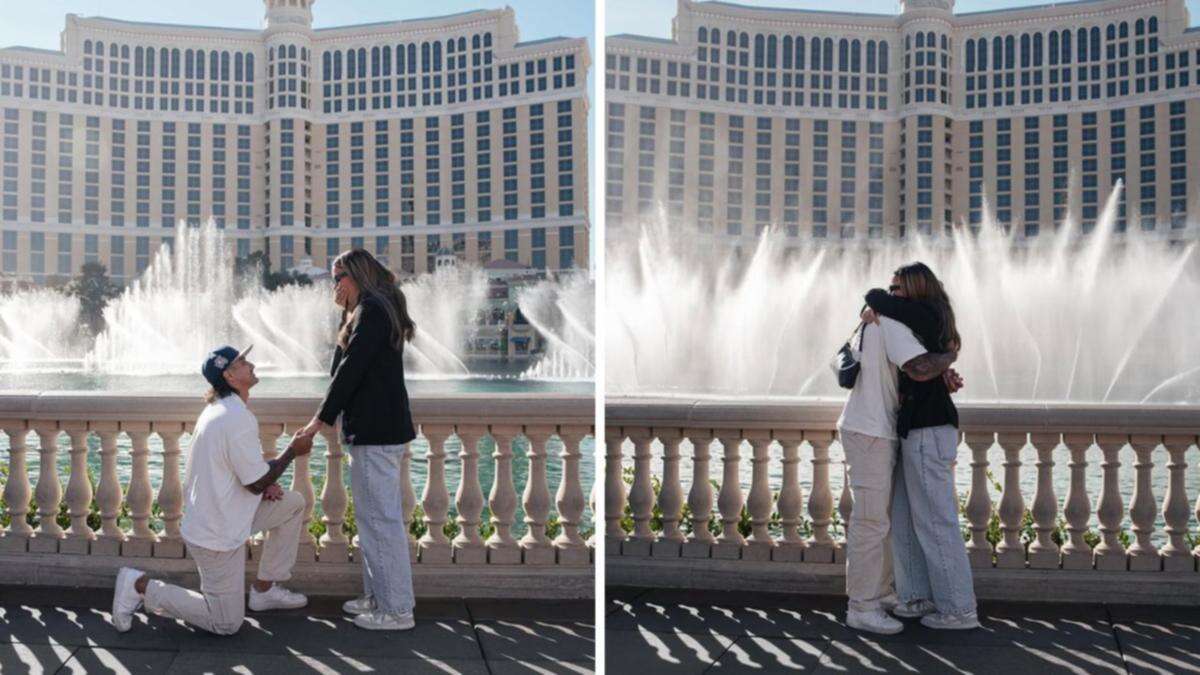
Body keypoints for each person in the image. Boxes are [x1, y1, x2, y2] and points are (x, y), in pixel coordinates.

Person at [111, 345, 314, 635]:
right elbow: (254, 482)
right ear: (230, 376)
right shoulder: (234, 417)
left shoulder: (222, 410)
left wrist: (267, 478)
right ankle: (139, 585)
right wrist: (293, 451)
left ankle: (264, 590)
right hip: (216, 535)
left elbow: (246, 470)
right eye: (242, 361)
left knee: (292, 503)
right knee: (226, 623)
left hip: (229, 515)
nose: (250, 364)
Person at [294, 249, 418, 631]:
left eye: (338, 278)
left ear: (357, 275)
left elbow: (350, 371)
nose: (334, 286)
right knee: (373, 520)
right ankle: (379, 596)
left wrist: (319, 421)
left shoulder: (374, 309)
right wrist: (343, 314)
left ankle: (396, 610)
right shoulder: (370, 308)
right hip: (376, 431)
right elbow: (341, 366)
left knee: (381, 522)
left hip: (375, 433)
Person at [862, 263, 980, 630]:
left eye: (899, 287)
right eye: (892, 287)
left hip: (929, 430)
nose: (892, 293)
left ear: (915, 289)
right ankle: (916, 597)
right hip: (914, 428)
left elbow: (873, 297)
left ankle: (959, 610)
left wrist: (876, 304)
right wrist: (945, 365)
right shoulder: (918, 321)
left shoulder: (925, 313)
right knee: (903, 517)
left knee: (934, 521)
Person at [836, 288, 959, 635]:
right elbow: (920, 368)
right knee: (871, 522)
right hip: (870, 431)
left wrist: (943, 376)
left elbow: (907, 375)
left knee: (880, 521)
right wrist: (949, 357)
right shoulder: (891, 324)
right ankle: (862, 606)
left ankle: (880, 593)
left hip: (872, 429)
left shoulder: (877, 320)